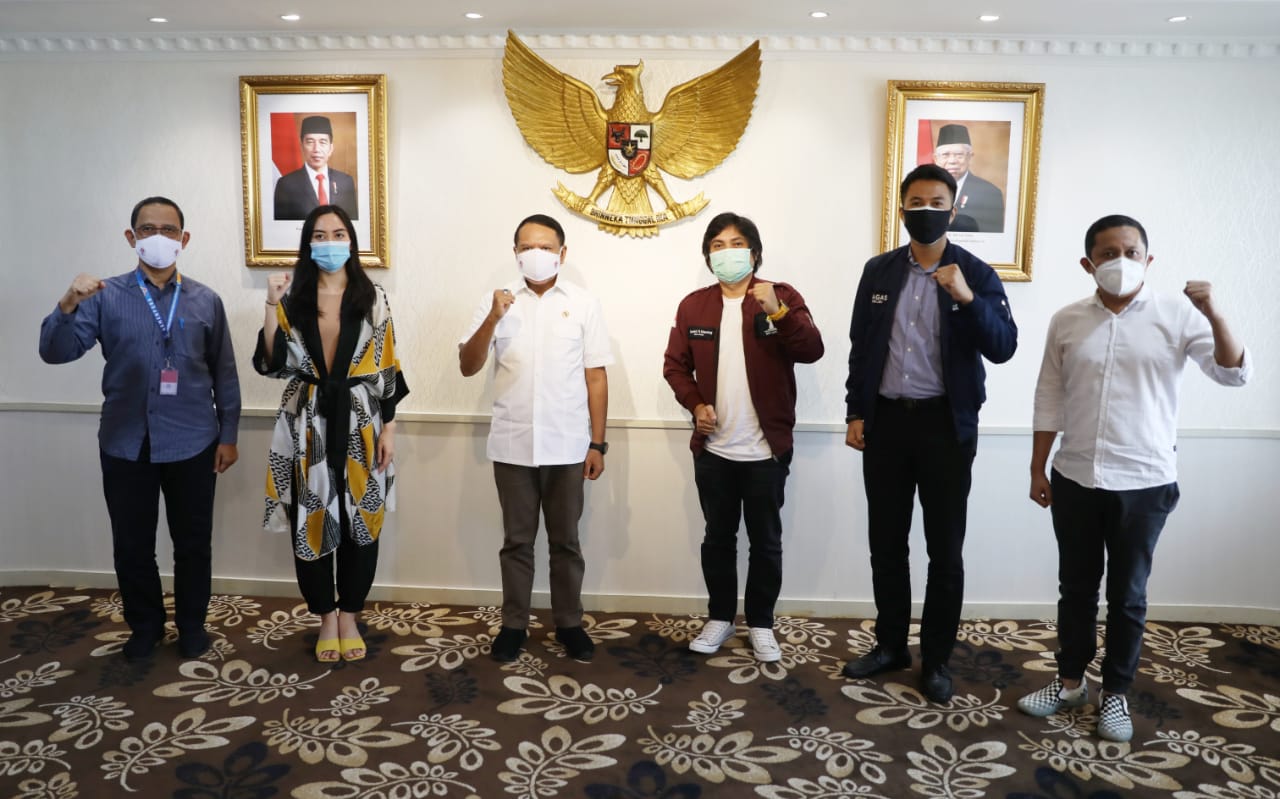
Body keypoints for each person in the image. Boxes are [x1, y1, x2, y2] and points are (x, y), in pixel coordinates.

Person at [1017, 215, 1250, 742]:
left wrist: (1213, 312)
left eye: (1130, 251)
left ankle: (1116, 694)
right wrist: (1037, 466)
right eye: (1107, 253)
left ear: (1148, 259)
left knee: (1128, 595)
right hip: (1075, 475)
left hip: (1145, 481)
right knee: (1076, 589)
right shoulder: (1067, 320)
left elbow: (1233, 372)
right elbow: (1048, 394)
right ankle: (1070, 682)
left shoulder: (1178, 315)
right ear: (1088, 264)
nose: (1119, 261)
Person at [843, 164, 1017, 703]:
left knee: (945, 551)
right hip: (886, 424)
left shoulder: (976, 273)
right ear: (902, 209)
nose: (926, 211)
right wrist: (855, 412)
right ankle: (890, 645)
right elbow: (861, 347)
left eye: (937, 202)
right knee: (886, 544)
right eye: (916, 202)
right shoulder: (878, 271)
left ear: (953, 208)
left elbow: (1003, 346)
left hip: (946, 427)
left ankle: (936, 658)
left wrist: (967, 298)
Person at [39, 196, 241, 660]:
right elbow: (55, 352)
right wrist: (68, 303)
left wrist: (228, 435)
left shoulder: (206, 300)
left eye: (169, 230)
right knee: (132, 545)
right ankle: (145, 627)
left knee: (193, 544)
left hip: (193, 440)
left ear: (184, 239)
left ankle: (192, 626)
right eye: (148, 229)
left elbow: (224, 373)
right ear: (131, 237)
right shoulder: (103, 295)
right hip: (125, 442)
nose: (159, 237)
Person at [663, 212, 824, 663]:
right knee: (717, 539)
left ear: (753, 253)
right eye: (717, 245)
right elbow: (675, 366)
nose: (727, 252)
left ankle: (761, 623)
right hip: (714, 451)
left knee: (766, 542)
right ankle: (719, 618)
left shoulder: (781, 296)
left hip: (765, 451)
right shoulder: (694, 306)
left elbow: (812, 349)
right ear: (707, 256)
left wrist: (778, 311)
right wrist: (696, 404)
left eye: (736, 244)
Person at [255, 205, 407, 663]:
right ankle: (325, 617)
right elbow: (271, 363)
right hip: (306, 422)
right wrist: (270, 305)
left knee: (362, 518)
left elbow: (388, 367)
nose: (329, 242)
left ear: (351, 241)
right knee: (313, 515)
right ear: (308, 243)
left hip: (362, 422)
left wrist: (389, 430)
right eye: (319, 235)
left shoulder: (372, 296)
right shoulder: (292, 297)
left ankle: (350, 616)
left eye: (339, 234)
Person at [459, 213, 613, 664]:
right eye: (527, 247)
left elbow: (596, 377)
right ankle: (513, 625)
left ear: (562, 253)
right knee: (516, 543)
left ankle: (569, 623)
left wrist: (597, 444)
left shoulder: (583, 303)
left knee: (566, 542)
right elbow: (468, 365)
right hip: (513, 445)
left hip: (568, 446)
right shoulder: (497, 302)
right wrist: (493, 318)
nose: (536, 254)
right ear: (515, 253)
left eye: (546, 247)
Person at [273, 115, 359, 221]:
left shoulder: (345, 182)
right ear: (301, 146)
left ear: (331, 148)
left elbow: (352, 224)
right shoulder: (286, 185)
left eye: (322, 142)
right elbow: (281, 226)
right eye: (310, 142)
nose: (316, 149)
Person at [933, 124, 1005, 233]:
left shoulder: (990, 193)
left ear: (970, 157)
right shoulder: (925, 190)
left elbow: (991, 237)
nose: (952, 161)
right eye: (945, 155)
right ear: (936, 159)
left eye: (959, 155)